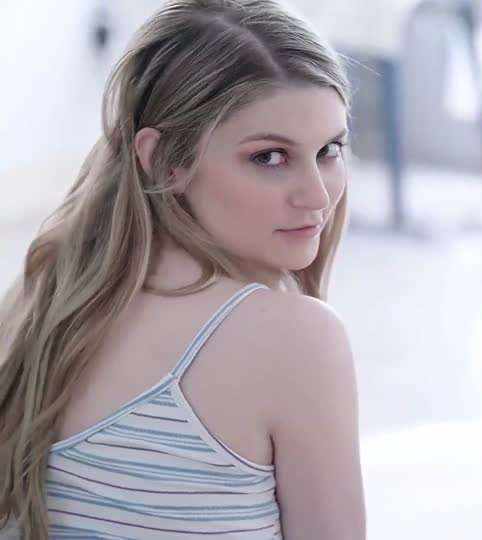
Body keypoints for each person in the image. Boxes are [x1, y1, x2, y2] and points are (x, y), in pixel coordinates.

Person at [0, 1, 365, 538]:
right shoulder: (294, 339)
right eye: (269, 157)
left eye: (329, 150)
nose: (317, 195)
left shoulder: (44, 298)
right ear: (164, 159)